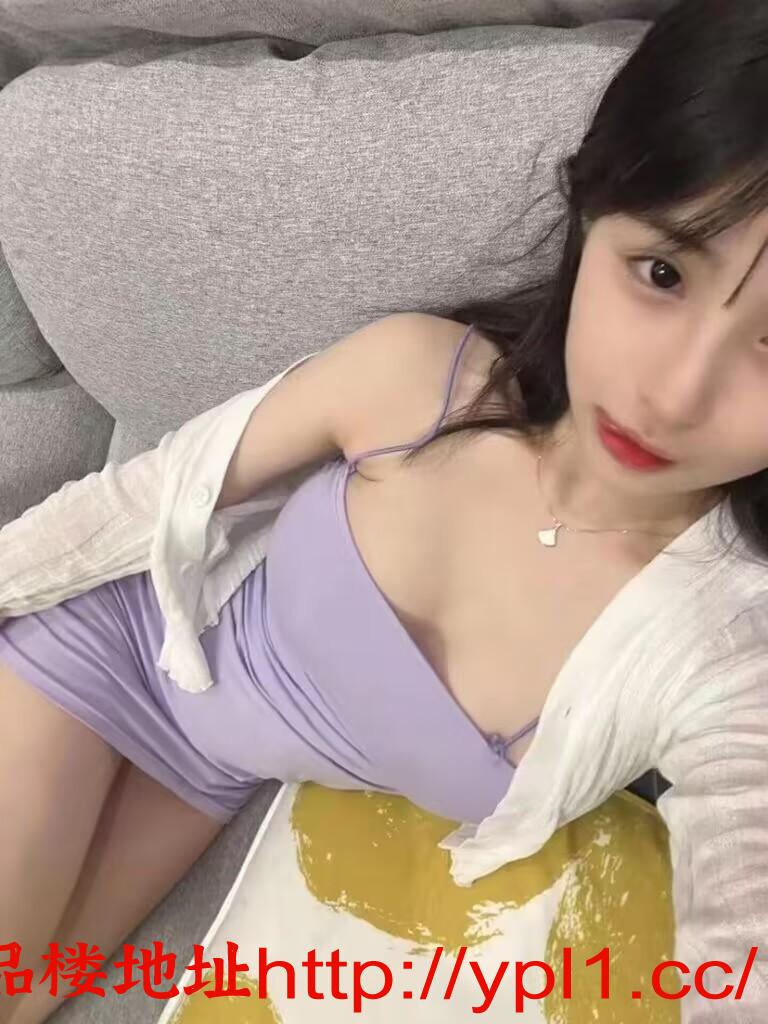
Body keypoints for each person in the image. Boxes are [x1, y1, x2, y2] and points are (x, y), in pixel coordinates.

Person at [1, 0, 767, 1020]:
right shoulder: (417, 379)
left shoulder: (718, 647)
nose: (675, 393)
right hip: (106, 648)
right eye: (661, 273)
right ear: (590, 217)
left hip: (210, 772)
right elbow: (140, 499)